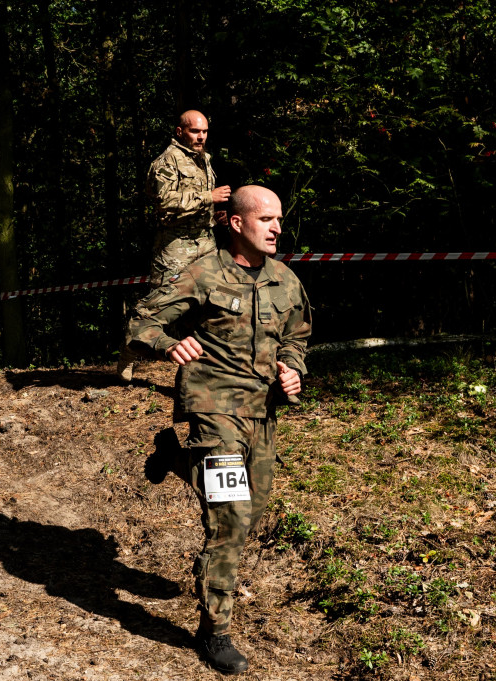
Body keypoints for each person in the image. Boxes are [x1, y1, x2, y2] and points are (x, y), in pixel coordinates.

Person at [127, 185, 312, 674]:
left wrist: (293, 369)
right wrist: (167, 345)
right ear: (236, 223)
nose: (277, 228)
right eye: (266, 219)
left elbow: (297, 338)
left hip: (261, 411)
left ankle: (177, 459)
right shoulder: (202, 273)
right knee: (229, 518)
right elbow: (141, 323)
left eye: (279, 219)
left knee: (251, 511)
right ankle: (216, 632)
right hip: (212, 405)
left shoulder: (286, 281)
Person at [117, 110, 232, 383]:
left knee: (214, 302)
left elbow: (197, 205)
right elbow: (163, 202)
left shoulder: (204, 160)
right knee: (158, 305)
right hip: (175, 246)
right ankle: (128, 353)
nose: (201, 136)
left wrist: (215, 214)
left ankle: (210, 364)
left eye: (204, 131)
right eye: (195, 131)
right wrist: (208, 197)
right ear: (180, 132)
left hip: (206, 241)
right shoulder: (166, 162)